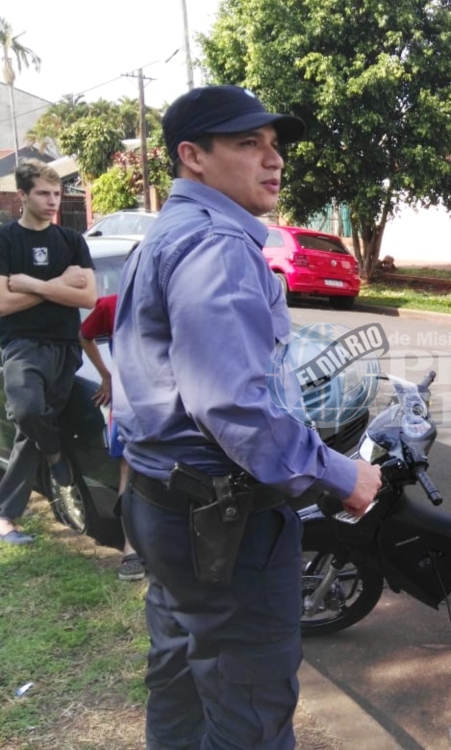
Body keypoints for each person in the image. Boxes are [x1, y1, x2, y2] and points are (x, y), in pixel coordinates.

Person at [112, 86, 382, 749]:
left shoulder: (163, 235)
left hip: (163, 500)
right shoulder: (216, 245)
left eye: (274, 144)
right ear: (193, 156)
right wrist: (339, 473)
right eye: (247, 143)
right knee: (249, 704)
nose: (273, 159)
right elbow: (233, 403)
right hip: (221, 521)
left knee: (180, 676)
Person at [0, 159, 96, 546]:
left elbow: (88, 297)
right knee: (25, 411)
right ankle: (55, 453)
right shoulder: (6, 239)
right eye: (43, 193)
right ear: (22, 195)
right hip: (22, 344)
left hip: (66, 347)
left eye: (57, 193)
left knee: (29, 432)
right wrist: (60, 284)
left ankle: (5, 517)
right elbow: (2, 304)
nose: (53, 200)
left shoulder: (72, 241)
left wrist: (32, 284)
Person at [79, 293, 145, 580]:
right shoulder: (111, 304)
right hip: (129, 402)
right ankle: (131, 551)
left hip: (173, 399)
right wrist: (106, 376)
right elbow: (85, 335)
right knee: (128, 469)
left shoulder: (176, 294)